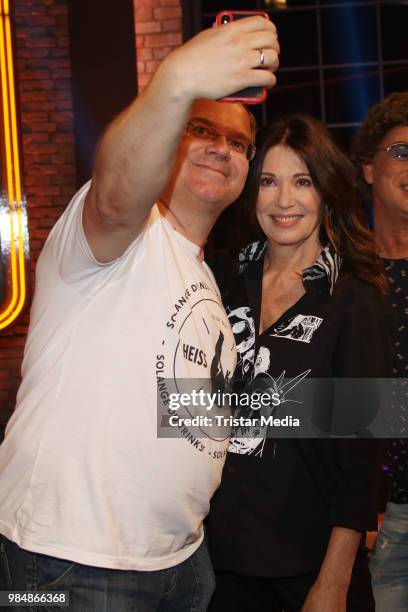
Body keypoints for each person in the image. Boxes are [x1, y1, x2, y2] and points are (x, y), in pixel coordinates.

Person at [0, 17, 279, 612]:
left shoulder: (204, 283)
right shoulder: (115, 233)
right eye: (201, 128)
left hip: (182, 565)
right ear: (170, 134)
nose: (220, 149)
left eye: (237, 143)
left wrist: (370, 408)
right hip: (65, 567)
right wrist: (175, 82)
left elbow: (180, 415)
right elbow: (117, 188)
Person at [207, 114, 393, 612]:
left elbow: (363, 459)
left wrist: (333, 581)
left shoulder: (357, 296)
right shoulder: (218, 279)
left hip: (309, 570)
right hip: (215, 568)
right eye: (269, 181)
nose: (283, 200)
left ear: (327, 192)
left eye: (302, 182)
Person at [353, 91, 408, 612]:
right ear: (369, 169)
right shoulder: (344, 278)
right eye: (402, 153)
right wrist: (354, 515)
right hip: (382, 522)